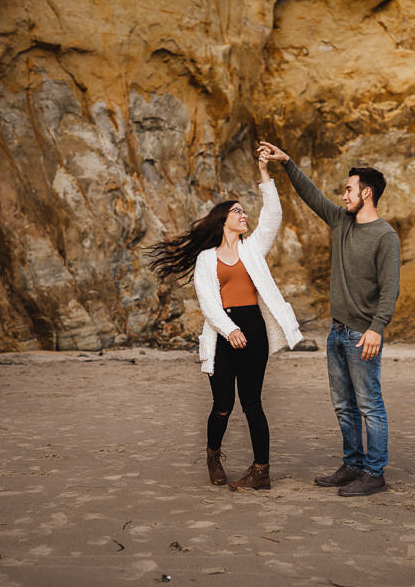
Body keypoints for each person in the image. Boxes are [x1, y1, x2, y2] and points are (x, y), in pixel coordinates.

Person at [145, 149, 302, 491]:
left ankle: (261, 472)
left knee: (252, 404)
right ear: (223, 220)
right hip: (221, 333)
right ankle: (213, 455)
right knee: (222, 405)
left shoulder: (253, 248)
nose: (244, 215)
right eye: (237, 211)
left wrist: (264, 173)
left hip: (255, 329)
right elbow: (208, 303)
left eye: (245, 211)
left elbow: (273, 214)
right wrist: (230, 331)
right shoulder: (205, 259)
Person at [258, 141, 400, 497]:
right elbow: (312, 194)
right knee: (343, 404)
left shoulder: (386, 237)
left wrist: (376, 329)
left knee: (369, 405)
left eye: (349, 189)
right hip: (336, 332)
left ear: (367, 193)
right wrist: (286, 162)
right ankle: (352, 465)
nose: (344, 194)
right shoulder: (341, 222)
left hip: (362, 335)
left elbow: (390, 289)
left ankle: (374, 473)